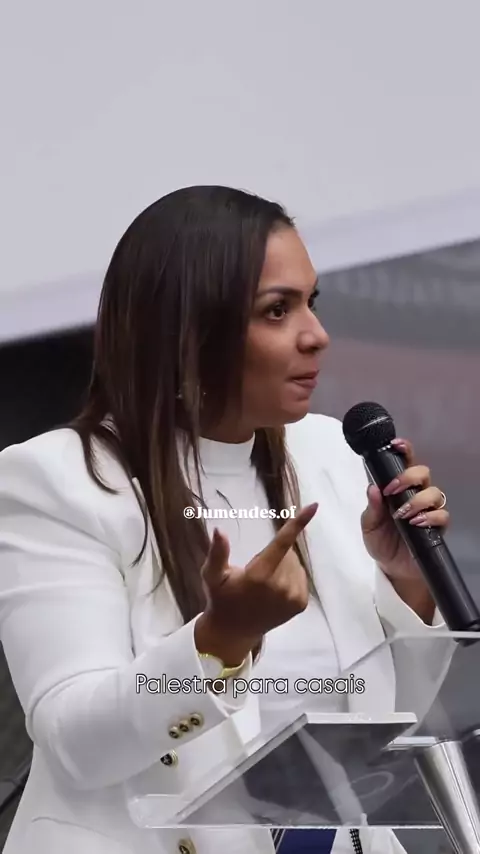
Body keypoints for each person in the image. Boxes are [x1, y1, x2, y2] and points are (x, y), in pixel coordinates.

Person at [0, 186, 451, 854]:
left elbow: (384, 718)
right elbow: (77, 743)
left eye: (312, 302)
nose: (316, 335)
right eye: (277, 310)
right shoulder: (56, 481)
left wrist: (406, 580)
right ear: (188, 331)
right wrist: (222, 640)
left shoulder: (328, 451)